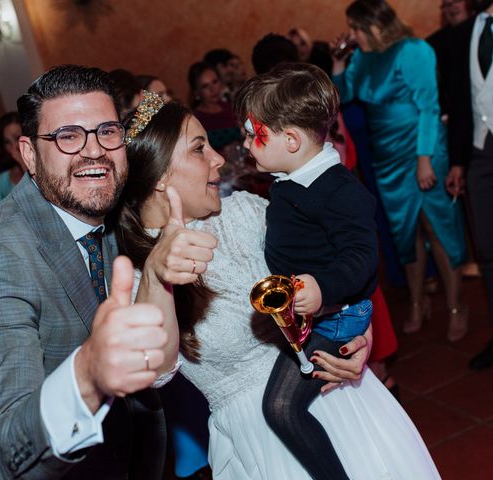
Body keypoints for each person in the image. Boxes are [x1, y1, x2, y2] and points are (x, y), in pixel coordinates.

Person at [117, 92, 440, 479]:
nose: (219, 159)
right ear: (159, 176)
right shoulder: (135, 273)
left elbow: (335, 264)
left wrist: (357, 333)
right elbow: (154, 372)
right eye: (200, 149)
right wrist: (157, 274)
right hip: (261, 441)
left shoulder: (246, 212)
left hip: (340, 395)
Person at [0, 65, 183, 480]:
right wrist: (86, 375)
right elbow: (3, 451)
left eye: (107, 131)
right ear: (29, 154)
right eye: (67, 136)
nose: (94, 150)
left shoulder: (104, 211)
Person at [235, 63, 377, 479]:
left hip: (335, 317)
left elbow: (362, 255)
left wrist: (324, 286)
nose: (245, 143)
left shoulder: (338, 190)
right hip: (314, 312)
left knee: (280, 407)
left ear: (291, 139)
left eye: (251, 132)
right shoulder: (290, 177)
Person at [332, 0, 468, 341]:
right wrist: (338, 63)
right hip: (386, 158)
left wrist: (424, 158)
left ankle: (456, 305)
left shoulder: (414, 50)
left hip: (422, 147)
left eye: (357, 27)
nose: (352, 34)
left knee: (438, 228)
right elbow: (343, 94)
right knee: (406, 233)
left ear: (376, 25)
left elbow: (429, 107)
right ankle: (417, 302)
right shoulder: (362, 56)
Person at [443, 0, 493, 368]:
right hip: (480, 154)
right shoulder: (461, 34)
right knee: (488, 252)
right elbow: (461, 102)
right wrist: (459, 161)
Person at [188, 61, 242, 153]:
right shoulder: (195, 119)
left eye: (215, 82)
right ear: (196, 92)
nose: (212, 89)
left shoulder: (228, 106)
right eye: (205, 86)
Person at [0, 112, 26, 203]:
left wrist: (24, 166)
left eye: (17, 138)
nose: (14, 146)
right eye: (7, 142)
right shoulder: (3, 180)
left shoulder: (47, 167)